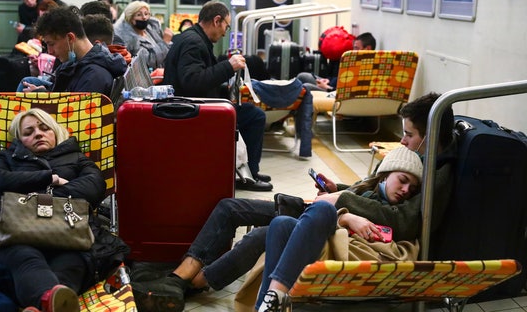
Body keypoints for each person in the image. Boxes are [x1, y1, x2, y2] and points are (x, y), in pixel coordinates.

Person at [130, 92, 455, 311]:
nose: (403, 140)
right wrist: (340, 187)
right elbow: (375, 190)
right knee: (233, 208)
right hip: (337, 207)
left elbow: (405, 221)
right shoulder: (419, 163)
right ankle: (183, 279)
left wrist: (342, 200)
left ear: (430, 133)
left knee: (253, 225)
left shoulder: (435, 174)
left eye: (409, 134)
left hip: (337, 214)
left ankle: (183, 282)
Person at [255, 146, 424, 312]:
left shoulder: (396, 212)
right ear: (386, 174)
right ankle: (269, 304)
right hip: (329, 236)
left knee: (322, 209)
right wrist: (344, 209)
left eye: (413, 188)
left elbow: (382, 228)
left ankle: (272, 299)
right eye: (402, 180)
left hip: (348, 248)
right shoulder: (366, 192)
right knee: (281, 224)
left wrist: (344, 216)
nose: (406, 190)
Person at [0, 108, 104, 311]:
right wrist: (49, 179)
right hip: (17, 235)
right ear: (20, 140)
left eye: (44, 128)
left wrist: (38, 198)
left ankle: (42, 303)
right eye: (28, 132)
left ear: (55, 131)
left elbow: (94, 187)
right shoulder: (9, 158)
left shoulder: (76, 157)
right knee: (25, 259)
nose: (38, 134)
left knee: (72, 264)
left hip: (70, 235)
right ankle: (51, 302)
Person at [162, 0, 272, 191]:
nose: (224, 32)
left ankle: (248, 171)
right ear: (217, 20)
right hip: (191, 112)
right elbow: (192, 81)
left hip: (190, 105)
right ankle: (247, 176)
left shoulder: (192, 38)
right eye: (226, 27)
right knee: (255, 117)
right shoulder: (194, 43)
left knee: (250, 114)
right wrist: (229, 66)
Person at [19, 6, 127, 93]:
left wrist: (42, 98)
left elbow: (75, 118)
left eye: (51, 44)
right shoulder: (80, 65)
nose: (50, 51)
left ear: (70, 38)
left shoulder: (93, 76)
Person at [298, 32, 376, 92]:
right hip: (331, 84)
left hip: (332, 91)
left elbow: (348, 92)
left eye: (356, 48)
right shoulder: (354, 60)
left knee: (306, 86)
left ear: (367, 48)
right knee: (303, 76)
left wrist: (327, 87)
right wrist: (328, 80)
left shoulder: (366, 69)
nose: (354, 51)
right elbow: (340, 78)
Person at [113, 0, 172, 69]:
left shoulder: (150, 30)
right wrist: (165, 43)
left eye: (146, 14)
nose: (144, 17)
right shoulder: (130, 39)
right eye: (139, 15)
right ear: (131, 19)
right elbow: (148, 62)